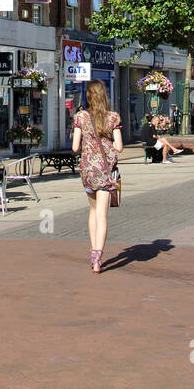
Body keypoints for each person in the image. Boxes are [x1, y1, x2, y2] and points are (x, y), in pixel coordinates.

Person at [72, 79, 123, 274]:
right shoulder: (113, 118)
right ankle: (98, 257)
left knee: (92, 211)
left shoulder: (81, 117)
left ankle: (93, 253)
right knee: (103, 214)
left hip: (88, 170)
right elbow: (119, 147)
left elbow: (75, 147)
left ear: (88, 96)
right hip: (106, 170)